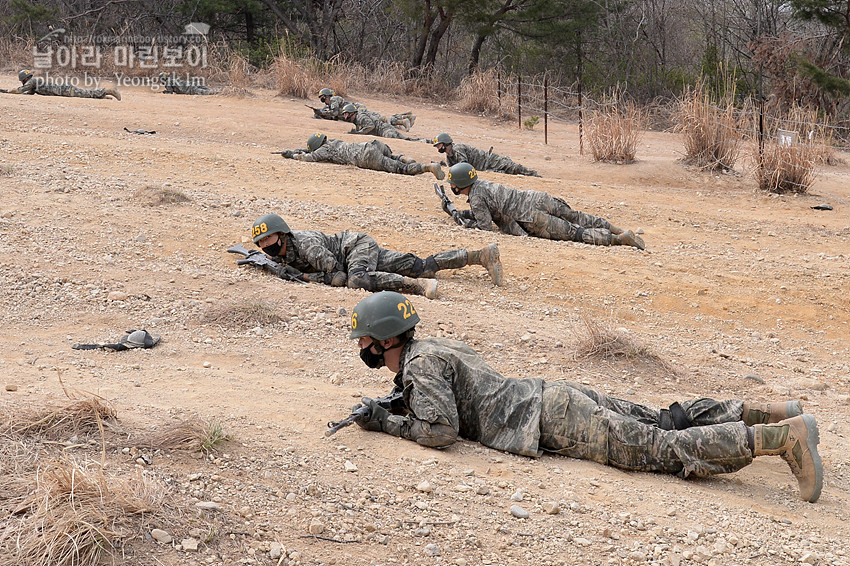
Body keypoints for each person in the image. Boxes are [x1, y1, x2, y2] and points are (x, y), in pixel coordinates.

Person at [345, 291, 824, 503]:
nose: (363, 348)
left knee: (660, 448)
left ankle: (780, 437)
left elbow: (441, 430)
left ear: (387, 338)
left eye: (366, 339)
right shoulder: (431, 349)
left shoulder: (422, 365)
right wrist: (394, 401)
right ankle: (765, 409)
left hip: (552, 421)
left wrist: (384, 422)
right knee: (664, 419)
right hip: (553, 396)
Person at [245, 214, 504, 298]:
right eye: (261, 242)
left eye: (269, 237)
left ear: (282, 234)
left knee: (357, 280)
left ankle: (417, 287)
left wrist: (303, 276)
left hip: (354, 247)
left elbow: (336, 275)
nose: (265, 244)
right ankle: (479, 255)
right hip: (357, 249)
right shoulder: (279, 253)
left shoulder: (306, 245)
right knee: (420, 265)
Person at [445, 163, 645, 249]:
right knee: (576, 215)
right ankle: (614, 228)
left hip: (531, 217)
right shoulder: (483, 185)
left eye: (453, 183)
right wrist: (462, 212)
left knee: (576, 233)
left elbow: (485, 226)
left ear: (461, 183)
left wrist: (462, 220)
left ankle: (618, 240)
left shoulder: (477, 196)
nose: (452, 186)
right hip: (537, 198)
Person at [277, 133, 445, 180]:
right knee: (390, 157)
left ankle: (427, 167)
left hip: (364, 156)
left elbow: (310, 158)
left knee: (400, 170)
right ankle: (402, 157)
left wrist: (293, 155)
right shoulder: (333, 142)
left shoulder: (323, 151)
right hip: (370, 144)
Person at [433, 133, 539, 177]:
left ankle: (535, 175)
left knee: (515, 168)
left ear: (445, 143)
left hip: (490, 160)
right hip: (485, 168)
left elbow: (463, 165)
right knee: (506, 174)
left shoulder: (457, 148)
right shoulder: (449, 156)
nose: (438, 147)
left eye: (439, 145)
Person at [315, 87, 415, 131]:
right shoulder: (329, 105)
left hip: (358, 109)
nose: (321, 99)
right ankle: (406, 116)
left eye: (322, 97)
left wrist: (322, 113)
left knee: (376, 119)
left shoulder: (334, 99)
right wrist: (320, 113)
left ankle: (402, 121)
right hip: (355, 110)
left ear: (326, 96)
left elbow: (335, 112)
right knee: (377, 118)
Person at [1, 69, 121, 100]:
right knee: (85, 94)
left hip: (64, 90)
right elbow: (29, 93)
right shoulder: (34, 82)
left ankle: (108, 90)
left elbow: (21, 90)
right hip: (63, 89)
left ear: (24, 79)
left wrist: (7, 92)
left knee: (86, 93)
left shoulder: (32, 82)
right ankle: (103, 96)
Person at [341, 103, 421, 141]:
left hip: (384, 129)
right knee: (406, 139)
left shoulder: (360, 116)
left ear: (352, 113)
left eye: (346, 114)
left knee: (400, 140)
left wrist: (359, 133)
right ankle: (425, 141)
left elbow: (370, 126)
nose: (345, 117)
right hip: (384, 128)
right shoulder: (357, 119)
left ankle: (424, 141)